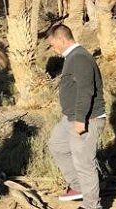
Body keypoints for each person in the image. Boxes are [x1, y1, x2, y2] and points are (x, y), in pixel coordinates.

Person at [47, 24, 106, 209]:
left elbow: (86, 90)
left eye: (53, 44)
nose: (52, 48)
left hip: (86, 119)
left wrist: (81, 120)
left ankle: (91, 205)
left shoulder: (79, 57)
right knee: (57, 145)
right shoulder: (72, 57)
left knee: (84, 164)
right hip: (70, 118)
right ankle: (79, 186)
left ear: (62, 39)